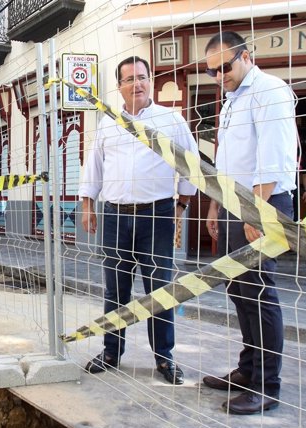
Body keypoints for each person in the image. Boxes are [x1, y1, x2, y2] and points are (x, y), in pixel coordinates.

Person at [79, 56, 197, 385]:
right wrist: (88, 205)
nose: (137, 84)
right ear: (119, 86)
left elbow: (190, 164)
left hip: (157, 215)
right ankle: (111, 351)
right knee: (115, 289)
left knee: (159, 291)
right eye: (129, 79)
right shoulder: (107, 123)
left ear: (151, 80)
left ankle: (164, 358)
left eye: (142, 77)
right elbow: (95, 167)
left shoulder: (171, 120)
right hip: (115, 215)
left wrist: (181, 206)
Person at [202, 31, 297, 414]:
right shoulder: (230, 100)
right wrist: (215, 206)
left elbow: (273, 158)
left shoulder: (269, 90)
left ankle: (266, 386)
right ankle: (248, 369)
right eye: (211, 71)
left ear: (246, 56)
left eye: (224, 67)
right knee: (238, 289)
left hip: (264, 202)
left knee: (259, 292)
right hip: (233, 203)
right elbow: (226, 162)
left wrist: (256, 213)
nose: (219, 76)